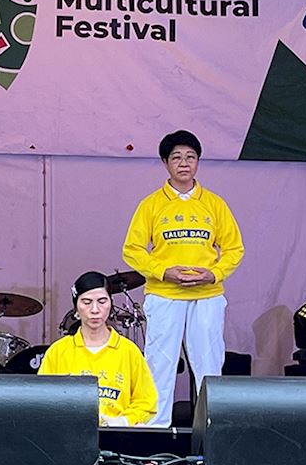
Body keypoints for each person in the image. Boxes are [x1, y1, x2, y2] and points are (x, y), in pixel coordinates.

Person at [122, 130, 244, 427]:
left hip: (207, 296)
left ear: (198, 162)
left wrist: (214, 274)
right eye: (176, 157)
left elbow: (234, 248)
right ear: (165, 163)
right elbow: (132, 249)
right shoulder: (151, 204)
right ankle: (155, 432)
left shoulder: (214, 204)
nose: (184, 163)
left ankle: (211, 431)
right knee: (159, 364)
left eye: (191, 157)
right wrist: (164, 272)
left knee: (209, 365)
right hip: (164, 295)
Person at [38, 271, 158, 426]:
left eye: (102, 301)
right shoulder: (58, 351)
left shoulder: (128, 351)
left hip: (117, 435)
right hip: (71, 433)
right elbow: (43, 400)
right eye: (86, 302)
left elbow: (147, 402)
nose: (95, 309)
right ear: (76, 307)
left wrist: (124, 421)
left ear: (111, 304)